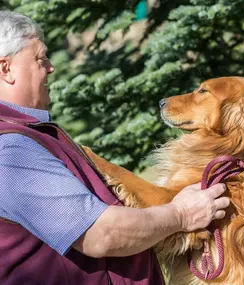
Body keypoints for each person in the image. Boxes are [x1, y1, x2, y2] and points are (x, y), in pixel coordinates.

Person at [0, 10, 230, 285]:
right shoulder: (11, 151)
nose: (51, 67)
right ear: (6, 69)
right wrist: (182, 214)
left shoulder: (26, 135)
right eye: (40, 58)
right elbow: (102, 234)